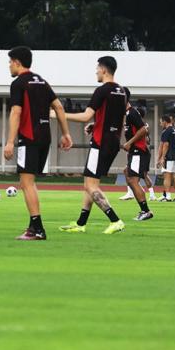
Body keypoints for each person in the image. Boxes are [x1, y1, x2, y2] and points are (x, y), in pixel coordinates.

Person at [2, 46, 73, 240]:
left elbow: (16, 112)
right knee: (27, 183)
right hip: (45, 138)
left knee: (27, 183)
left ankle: (37, 229)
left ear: (17, 62)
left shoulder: (19, 83)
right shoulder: (42, 81)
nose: (9, 66)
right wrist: (66, 133)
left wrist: (9, 142)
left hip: (29, 137)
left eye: (10, 62)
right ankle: (34, 227)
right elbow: (58, 106)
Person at [59, 56, 126, 235]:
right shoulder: (121, 91)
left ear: (104, 70)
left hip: (100, 142)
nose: (96, 71)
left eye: (97, 68)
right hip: (112, 141)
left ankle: (115, 220)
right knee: (88, 183)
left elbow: (85, 116)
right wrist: (96, 125)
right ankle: (81, 223)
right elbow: (119, 119)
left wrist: (58, 114)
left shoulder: (102, 90)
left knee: (91, 186)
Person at [121, 88, 153, 221]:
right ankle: (144, 207)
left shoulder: (132, 113)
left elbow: (144, 129)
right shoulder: (127, 114)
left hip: (138, 152)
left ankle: (146, 211)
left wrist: (129, 142)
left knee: (133, 180)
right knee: (129, 176)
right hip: (135, 152)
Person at [156, 115, 175, 201]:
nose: (160, 124)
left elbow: (166, 145)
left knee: (167, 176)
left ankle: (167, 196)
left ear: (165, 121)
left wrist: (162, 158)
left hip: (169, 156)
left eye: (161, 122)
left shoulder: (166, 131)